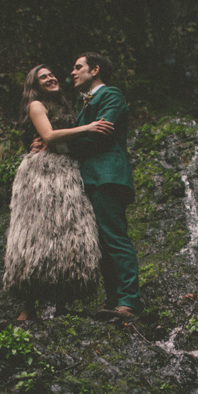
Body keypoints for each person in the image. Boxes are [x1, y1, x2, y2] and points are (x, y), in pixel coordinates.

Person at [33, 53, 141, 320]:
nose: (72, 72)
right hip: (91, 179)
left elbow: (101, 134)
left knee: (114, 238)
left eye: (78, 67)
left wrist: (58, 143)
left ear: (95, 70)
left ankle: (130, 300)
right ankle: (114, 299)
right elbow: (88, 133)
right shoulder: (84, 108)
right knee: (101, 242)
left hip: (108, 176)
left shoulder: (111, 95)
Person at [2, 65, 115, 321]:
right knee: (37, 234)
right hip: (42, 172)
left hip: (67, 171)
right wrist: (89, 128)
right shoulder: (36, 105)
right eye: (43, 77)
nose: (51, 77)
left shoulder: (65, 107)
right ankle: (28, 306)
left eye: (52, 74)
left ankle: (63, 303)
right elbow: (49, 135)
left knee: (67, 234)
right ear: (35, 84)